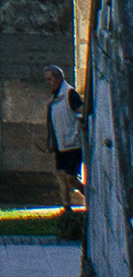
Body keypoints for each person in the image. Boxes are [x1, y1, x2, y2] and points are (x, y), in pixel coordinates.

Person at [46, 64, 87, 219]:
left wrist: (79, 127)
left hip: (73, 144)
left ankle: (87, 193)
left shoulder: (70, 93)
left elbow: (81, 112)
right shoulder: (54, 97)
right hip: (60, 143)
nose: (48, 83)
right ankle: (66, 207)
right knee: (60, 175)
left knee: (70, 177)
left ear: (58, 78)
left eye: (50, 79)